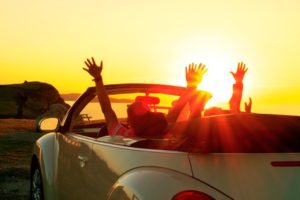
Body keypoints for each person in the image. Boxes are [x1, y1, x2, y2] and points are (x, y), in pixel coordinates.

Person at [83, 57, 211, 137]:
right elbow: (177, 108)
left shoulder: (119, 133)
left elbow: (106, 108)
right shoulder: (163, 133)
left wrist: (98, 79)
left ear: (129, 120)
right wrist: (191, 85)